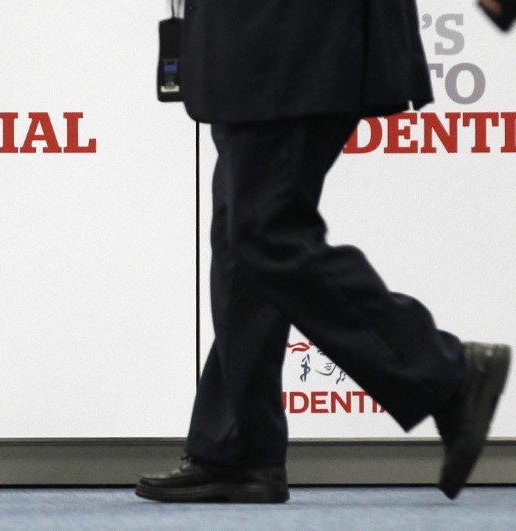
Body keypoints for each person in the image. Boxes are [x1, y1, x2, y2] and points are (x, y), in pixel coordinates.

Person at [136, 0, 511, 503]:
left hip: (297, 31)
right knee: (241, 236)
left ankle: (447, 371)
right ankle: (240, 449)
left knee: (264, 232)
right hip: (254, 35)